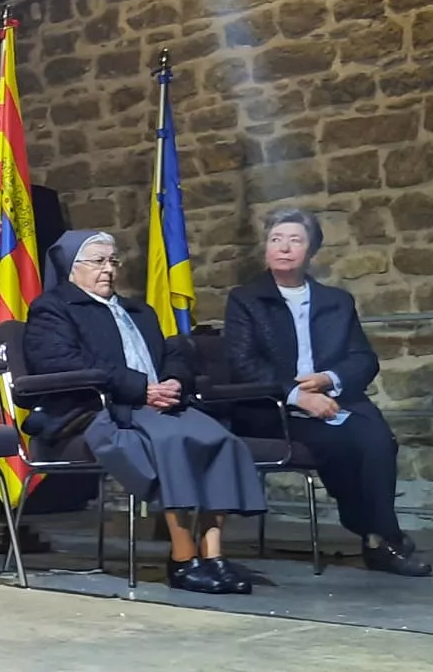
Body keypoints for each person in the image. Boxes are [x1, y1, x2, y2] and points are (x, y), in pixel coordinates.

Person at [20, 230, 269, 595]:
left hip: (157, 403)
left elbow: (174, 354)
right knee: (171, 442)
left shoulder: (139, 310)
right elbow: (60, 362)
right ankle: (183, 560)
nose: (108, 269)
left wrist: (172, 382)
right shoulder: (54, 309)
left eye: (113, 261)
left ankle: (212, 555)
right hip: (96, 409)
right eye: (97, 261)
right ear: (73, 269)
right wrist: (140, 389)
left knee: (221, 440)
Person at [223, 208, 432, 577]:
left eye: (295, 240)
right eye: (275, 240)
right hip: (273, 407)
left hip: (335, 398)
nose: (284, 248)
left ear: (311, 251)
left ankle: (377, 535)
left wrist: (328, 379)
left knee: (379, 441)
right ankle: (383, 538)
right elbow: (243, 362)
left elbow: (363, 359)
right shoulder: (245, 299)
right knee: (337, 445)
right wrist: (297, 394)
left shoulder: (337, 301)